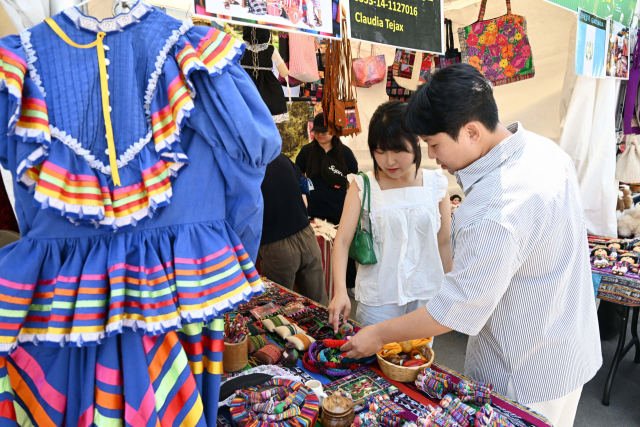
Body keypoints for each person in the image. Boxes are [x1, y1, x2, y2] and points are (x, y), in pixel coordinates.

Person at [340, 64, 601, 427]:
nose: (431, 156)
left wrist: (377, 334)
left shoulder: (495, 210)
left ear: (472, 132)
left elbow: (454, 310)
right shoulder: (545, 151)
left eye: (434, 144)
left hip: (523, 373)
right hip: (567, 352)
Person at [328, 101, 452, 329]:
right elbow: (343, 241)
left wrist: (452, 290)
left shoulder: (436, 183)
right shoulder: (362, 185)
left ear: (416, 142)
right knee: (373, 360)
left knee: (415, 361)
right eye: (380, 151)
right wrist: (339, 292)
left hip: (425, 295)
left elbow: (443, 241)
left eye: (397, 150)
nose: (389, 161)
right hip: (379, 299)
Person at [296, 113, 359, 289]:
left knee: (343, 247)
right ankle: (320, 283)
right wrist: (302, 199)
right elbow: (298, 175)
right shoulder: (306, 152)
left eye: (324, 132)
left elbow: (353, 179)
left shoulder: (344, 153)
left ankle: (348, 284)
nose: (320, 135)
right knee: (316, 250)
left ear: (334, 132)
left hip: (339, 209)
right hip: (314, 209)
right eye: (316, 132)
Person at [259, 153, 327, 305]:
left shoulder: (246, 167)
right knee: (320, 304)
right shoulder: (281, 158)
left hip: (276, 244)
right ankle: (329, 329)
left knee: (279, 310)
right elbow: (305, 201)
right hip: (307, 235)